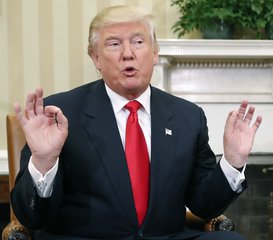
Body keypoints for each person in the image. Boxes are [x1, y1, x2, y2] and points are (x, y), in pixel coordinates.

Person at [11, 5, 262, 240]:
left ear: (154, 53)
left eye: (138, 42)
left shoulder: (187, 116)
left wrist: (232, 162)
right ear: (96, 58)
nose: (127, 54)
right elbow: (32, 217)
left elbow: (205, 206)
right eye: (114, 44)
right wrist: (44, 161)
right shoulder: (60, 115)